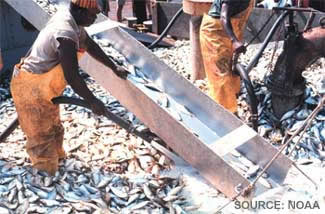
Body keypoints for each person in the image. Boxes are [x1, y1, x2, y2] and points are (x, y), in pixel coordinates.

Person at [10, 0, 128, 175]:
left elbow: (90, 45)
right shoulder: (65, 32)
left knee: (53, 127)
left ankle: (57, 161)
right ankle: (45, 176)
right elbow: (72, 76)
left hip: (44, 87)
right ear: (80, 10)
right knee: (41, 135)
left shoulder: (74, 21)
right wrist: (92, 101)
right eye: (93, 15)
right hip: (31, 87)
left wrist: (113, 66)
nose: (95, 18)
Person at [200, 0, 254, 113]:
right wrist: (234, 40)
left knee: (231, 66)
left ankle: (233, 96)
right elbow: (223, 17)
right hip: (215, 32)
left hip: (232, 28)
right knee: (221, 73)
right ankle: (226, 112)